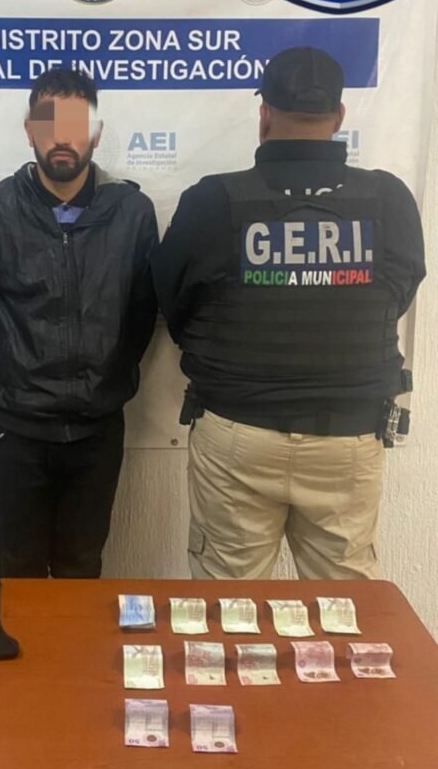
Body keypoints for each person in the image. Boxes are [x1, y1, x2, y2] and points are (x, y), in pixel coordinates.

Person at [152, 46, 425, 581]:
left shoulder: (213, 200)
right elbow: (398, 294)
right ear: (339, 116)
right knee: (343, 607)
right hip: (348, 435)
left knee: (230, 604)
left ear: (264, 115)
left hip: (238, 432)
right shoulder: (387, 198)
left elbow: (173, 302)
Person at [0, 68, 158, 579]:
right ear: (30, 130)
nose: (62, 138)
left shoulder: (132, 212)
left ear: (96, 133)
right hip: (15, 430)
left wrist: (105, 377)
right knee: (18, 569)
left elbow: (140, 315)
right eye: (49, 124)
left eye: (76, 124)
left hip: (97, 431)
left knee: (81, 568)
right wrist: (11, 371)